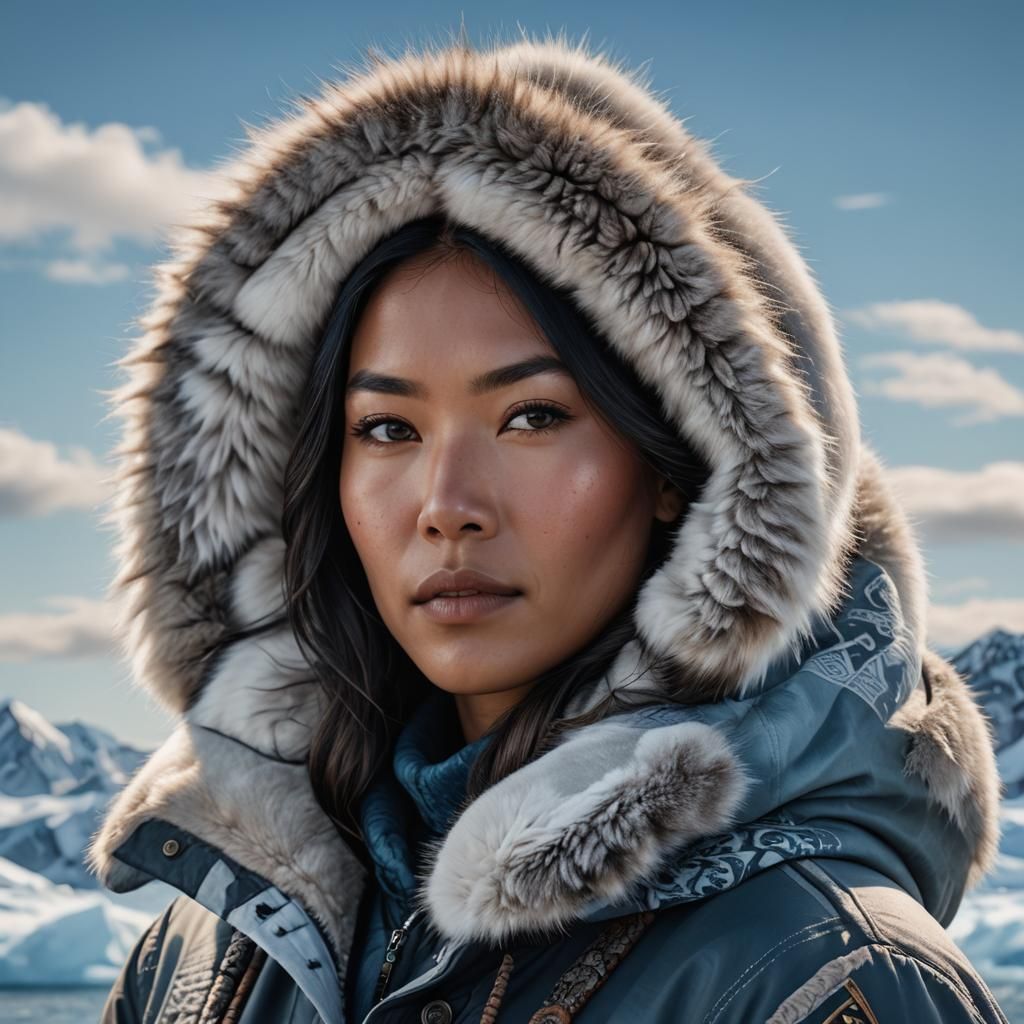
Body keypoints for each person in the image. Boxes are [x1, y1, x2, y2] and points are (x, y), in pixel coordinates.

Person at [91, 33, 1009, 1024]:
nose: (447, 503)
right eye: (387, 427)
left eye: (531, 416)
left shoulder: (821, 977)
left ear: (679, 466)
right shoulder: (207, 955)